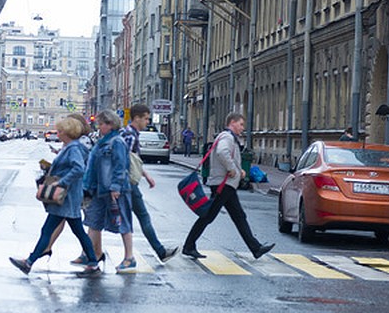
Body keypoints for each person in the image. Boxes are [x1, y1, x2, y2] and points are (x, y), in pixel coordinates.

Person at [10, 117, 101, 276]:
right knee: (77, 231)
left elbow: (79, 169)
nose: (56, 133)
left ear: (67, 133)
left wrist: (61, 182)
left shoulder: (73, 149)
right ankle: (93, 263)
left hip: (67, 196)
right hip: (68, 197)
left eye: (59, 131)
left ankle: (29, 262)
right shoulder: (70, 147)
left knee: (48, 230)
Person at [182, 112, 275, 261]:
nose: (242, 128)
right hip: (223, 184)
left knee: (238, 216)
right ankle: (188, 246)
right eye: (241, 124)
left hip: (225, 184)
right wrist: (232, 169)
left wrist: (239, 170)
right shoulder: (227, 137)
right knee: (208, 216)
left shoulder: (226, 136)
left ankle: (256, 248)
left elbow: (227, 156)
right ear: (232, 122)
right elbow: (222, 152)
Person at [79, 109, 136, 273]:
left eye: (101, 124)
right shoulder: (102, 141)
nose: (98, 127)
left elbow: (121, 166)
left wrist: (116, 187)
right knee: (93, 221)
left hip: (114, 190)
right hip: (98, 189)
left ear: (110, 125)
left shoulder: (117, 142)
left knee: (123, 222)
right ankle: (91, 255)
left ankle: (129, 257)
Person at [120, 103, 178, 263]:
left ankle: (92, 253)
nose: (147, 122)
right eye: (145, 119)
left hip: (127, 183)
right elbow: (124, 161)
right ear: (136, 118)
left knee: (116, 220)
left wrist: (146, 175)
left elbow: (132, 161)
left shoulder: (129, 133)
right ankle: (158, 252)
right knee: (140, 218)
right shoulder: (130, 136)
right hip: (128, 184)